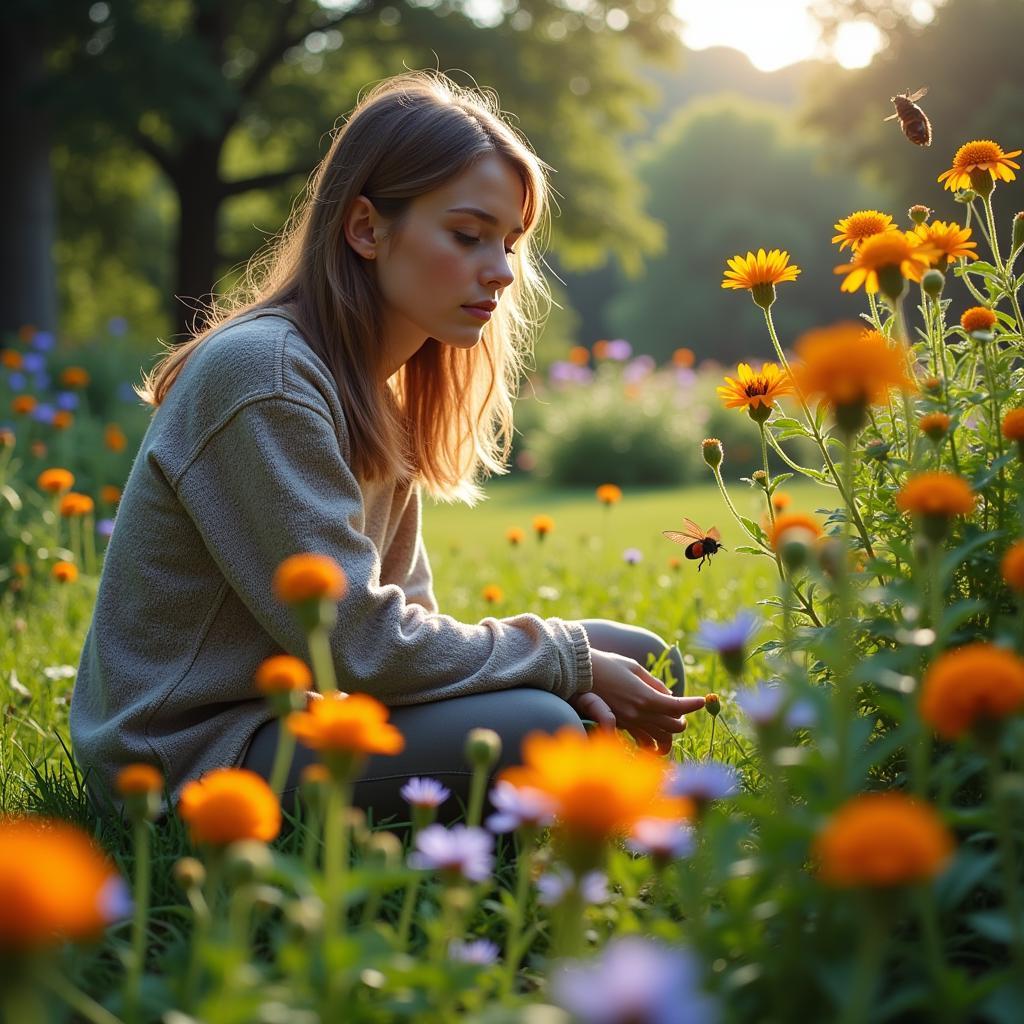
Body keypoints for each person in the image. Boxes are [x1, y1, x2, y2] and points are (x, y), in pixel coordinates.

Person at [70, 71, 705, 826]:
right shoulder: (266, 377)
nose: (501, 271)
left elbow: (408, 625)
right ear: (367, 228)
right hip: (194, 755)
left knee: (641, 657)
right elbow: (364, 648)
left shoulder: (377, 386)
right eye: (468, 236)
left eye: (508, 242)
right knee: (541, 727)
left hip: (307, 712)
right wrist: (563, 663)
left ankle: (602, 835)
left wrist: (569, 662)